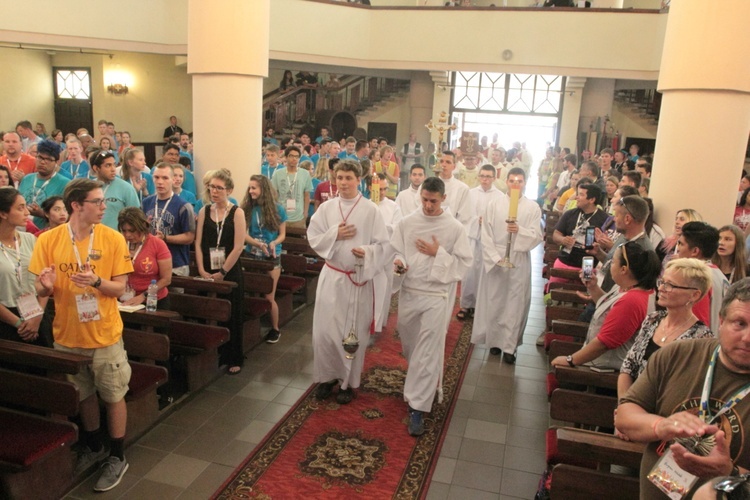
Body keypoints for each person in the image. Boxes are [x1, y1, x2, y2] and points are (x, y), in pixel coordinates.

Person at [30, 178, 134, 492]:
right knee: (85, 394)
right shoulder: (48, 240)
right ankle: (94, 445)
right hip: (68, 336)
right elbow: (38, 286)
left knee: (113, 394)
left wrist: (97, 282)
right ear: (77, 205)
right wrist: (44, 288)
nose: (105, 206)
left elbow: (121, 288)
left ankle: (117, 455)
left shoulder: (113, 238)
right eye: (98, 201)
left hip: (104, 334)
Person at [616, 278, 750, 500]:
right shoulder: (676, 355)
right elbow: (625, 416)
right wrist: (661, 425)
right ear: (721, 321)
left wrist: (730, 473)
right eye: (740, 323)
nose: (747, 338)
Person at [390, 176, 472, 435]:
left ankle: (418, 407)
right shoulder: (407, 223)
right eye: (424, 199)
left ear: (443, 199)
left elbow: (464, 262)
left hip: (437, 296)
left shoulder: (454, 227)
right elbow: (395, 250)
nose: (427, 205)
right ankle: (420, 384)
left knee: (428, 349)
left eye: (433, 201)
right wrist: (399, 262)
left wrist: (439, 253)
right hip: (410, 293)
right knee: (410, 343)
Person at [307, 159, 389, 404]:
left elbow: (384, 245)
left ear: (359, 180)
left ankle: (346, 383)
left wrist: (367, 252)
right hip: (332, 277)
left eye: (348, 178)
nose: (343, 183)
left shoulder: (370, 210)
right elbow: (313, 235)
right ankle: (326, 377)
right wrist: (335, 234)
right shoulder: (327, 208)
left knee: (351, 335)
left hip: (356, 281)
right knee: (324, 333)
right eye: (339, 177)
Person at [550, 242, 661, 371]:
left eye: (613, 262)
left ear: (623, 269)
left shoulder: (632, 301)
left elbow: (603, 344)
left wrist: (570, 360)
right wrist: (593, 287)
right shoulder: (626, 287)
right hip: (596, 360)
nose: (609, 266)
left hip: (605, 370)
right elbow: (609, 308)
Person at [471, 167, 543, 363]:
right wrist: (495, 257)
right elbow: (485, 233)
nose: (515, 184)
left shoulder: (533, 207)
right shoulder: (494, 204)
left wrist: (519, 230)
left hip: (518, 258)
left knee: (515, 303)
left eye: (519, 181)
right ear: (506, 181)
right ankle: (494, 342)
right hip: (496, 258)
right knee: (495, 301)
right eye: (512, 181)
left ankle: (510, 347)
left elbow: (537, 235)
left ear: (525, 183)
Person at [617, 258, 714, 403]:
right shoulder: (653, 320)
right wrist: (624, 405)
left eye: (670, 285)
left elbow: (688, 390)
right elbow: (628, 367)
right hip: (632, 407)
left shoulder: (702, 338)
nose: (661, 288)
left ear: (694, 295)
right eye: (662, 282)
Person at [195, 169, 246, 374]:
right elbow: (197, 243)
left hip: (230, 271)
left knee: (232, 314)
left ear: (229, 190)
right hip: (207, 269)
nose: (214, 191)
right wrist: (201, 269)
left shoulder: (237, 212)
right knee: (208, 310)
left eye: (219, 188)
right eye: (212, 187)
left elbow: (239, 246)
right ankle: (213, 353)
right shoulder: (204, 211)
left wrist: (223, 272)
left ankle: (234, 356)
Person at [0, 188, 48, 347]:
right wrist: (19, 323)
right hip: (7, 319)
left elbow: (44, 280)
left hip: (36, 312)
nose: (27, 212)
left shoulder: (30, 240)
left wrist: (37, 317)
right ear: (3, 213)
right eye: (20, 208)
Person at [243, 174, 287, 343]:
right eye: (250, 187)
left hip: (271, 256)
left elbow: (282, 234)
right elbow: (244, 234)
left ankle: (275, 329)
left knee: (269, 296)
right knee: (251, 292)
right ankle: (252, 327)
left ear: (264, 190)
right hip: (252, 253)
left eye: (254, 188)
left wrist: (274, 242)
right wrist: (257, 243)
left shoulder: (278, 209)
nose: (250, 191)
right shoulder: (247, 207)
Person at [457, 164, 504, 320]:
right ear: (478, 176)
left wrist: (488, 221)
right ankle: (466, 305)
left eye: (488, 176)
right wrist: (477, 220)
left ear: (494, 178)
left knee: (485, 272)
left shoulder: (499, 196)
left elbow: (501, 218)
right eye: (482, 176)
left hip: (489, 240)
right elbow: (463, 216)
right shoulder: (470, 193)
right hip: (472, 236)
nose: (485, 179)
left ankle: (481, 306)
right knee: (469, 271)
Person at [141, 163, 196, 277]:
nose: (160, 182)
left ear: (173, 180)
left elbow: (189, 237)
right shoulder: (146, 203)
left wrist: (165, 238)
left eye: (165, 178)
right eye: (156, 177)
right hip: (151, 262)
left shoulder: (183, 206)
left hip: (176, 264)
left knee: (176, 294)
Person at [677, 221, 728, 332]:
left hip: (700, 345)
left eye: (681, 244)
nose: (678, 249)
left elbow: (697, 324)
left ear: (695, 251)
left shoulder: (697, 278)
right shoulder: (720, 275)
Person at [117, 207, 172, 309]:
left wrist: (143, 296)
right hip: (124, 299)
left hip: (153, 300)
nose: (128, 235)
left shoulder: (157, 244)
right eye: (124, 231)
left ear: (142, 227)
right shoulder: (120, 243)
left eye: (132, 231)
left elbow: (166, 279)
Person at [372, 173, 402, 335]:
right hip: (370, 254)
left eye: (384, 189)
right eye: (379, 189)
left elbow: (397, 227)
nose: (382, 192)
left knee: (384, 289)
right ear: (372, 188)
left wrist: (381, 227)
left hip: (387, 253)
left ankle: (380, 321)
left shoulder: (393, 207)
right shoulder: (367, 204)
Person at [18, 139, 69, 229]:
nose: (42, 162)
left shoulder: (65, 183)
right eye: (40, 157)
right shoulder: (27, 179)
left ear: (56, 162)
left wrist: (42, 213)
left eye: (48, 159)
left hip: (48, 232)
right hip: (23, 230)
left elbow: (67, 216)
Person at [89, 150, 140, 230]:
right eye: (108, 166)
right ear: (96, 168)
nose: (113, 169)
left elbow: (136, 218)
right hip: (92, 237)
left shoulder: (126, 188)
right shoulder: (88, 188)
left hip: (117, 238)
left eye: (114, 165)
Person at [271, 145, 311, 228]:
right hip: (281, 216)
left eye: (296, 157)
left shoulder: (305, 174)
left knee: (298, 240)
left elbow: (307, 195)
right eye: (291, 156)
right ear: (286, 157)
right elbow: (273, 195)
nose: (294, 159)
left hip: (299, 217)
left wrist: (305, 213)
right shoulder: (278, 173)